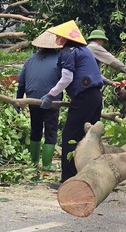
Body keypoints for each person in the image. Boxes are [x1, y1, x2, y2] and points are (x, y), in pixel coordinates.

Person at [39, 20, 104, 187]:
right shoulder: (85, 51)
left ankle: (68, 180)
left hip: (84, 98)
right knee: (90, 137)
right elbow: (96, 74)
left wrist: (50, 94)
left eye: (59, 36)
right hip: (96, 96)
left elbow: (67, 78)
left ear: (66, 38)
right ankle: (93, 177)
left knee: (70, 137)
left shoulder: (68, 52)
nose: (56, 39)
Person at [16, 30, 62, 171]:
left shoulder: (30, 60)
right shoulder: (59, 59)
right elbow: (66, 80)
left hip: (32, 99)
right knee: (50, 130)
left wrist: (18, 100)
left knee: (35, 129)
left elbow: (21, 82)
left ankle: (34, 162)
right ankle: (47, 165)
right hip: (51, 101)